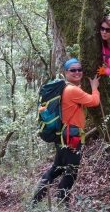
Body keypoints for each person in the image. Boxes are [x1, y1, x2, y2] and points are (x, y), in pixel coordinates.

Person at [31, 58, 100, 205]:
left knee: (57, 169)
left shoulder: (64, 88)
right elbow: (94, 102)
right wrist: (94, 87)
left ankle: (34, 203)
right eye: (73, 70)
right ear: (65, 72)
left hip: (62, 135)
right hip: (71, 136)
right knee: (71, 171)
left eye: (79, 69)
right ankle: (63, 205)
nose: (77, 72)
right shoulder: (72, 90)